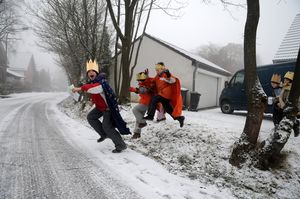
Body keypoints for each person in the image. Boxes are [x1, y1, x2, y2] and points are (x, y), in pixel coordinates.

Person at [72, 59, 128, 153]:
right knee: (91, 117)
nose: (90, 73)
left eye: (92, 71)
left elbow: (96, 89)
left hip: (108, 108)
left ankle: (121, 145)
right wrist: (92, 101)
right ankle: (104, 134)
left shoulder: (102, 82)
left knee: (107, 127)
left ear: (96, 73)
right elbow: (96, 94)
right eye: (89, 72)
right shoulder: (93, 83)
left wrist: (80, 88)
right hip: (100, 107)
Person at [143, 62, 185, 127]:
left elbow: (173, 80)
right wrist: (147, 76)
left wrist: (168, 75)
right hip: (163, 95)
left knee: (154, 99)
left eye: (158, 70)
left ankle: (150, 115)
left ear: (162, 69)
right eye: (156, 70)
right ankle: (179, 118)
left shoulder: (165, 74)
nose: (157, 71)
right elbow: (152, 81)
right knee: (168, 109)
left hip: (166, 93)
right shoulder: (157, 76)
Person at [129, 69, 154, 139]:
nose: (138, 81)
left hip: (146, 103)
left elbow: (143, 91)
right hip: (143, 102)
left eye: (139, 80)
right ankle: (137, 133)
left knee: (135, 110)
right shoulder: (144, 83)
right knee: (138, 119)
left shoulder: (146, 84)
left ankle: (143, 122)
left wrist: (134, 89)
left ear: (142, 79)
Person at [276, 71, 299, 137]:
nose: (284, 80)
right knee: (281, 115)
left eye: (286, 79)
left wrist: (282, 104)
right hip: (285, 105)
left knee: (287, 117)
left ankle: (295, 126)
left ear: (290, 81)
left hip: (290, 106)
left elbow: (289, 99)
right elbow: (282, 96)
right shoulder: (285, 87)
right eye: (285, 79)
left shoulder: (290, 88)